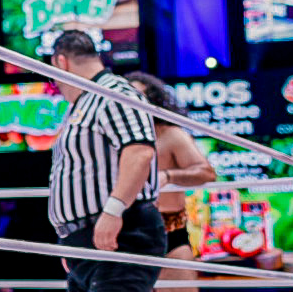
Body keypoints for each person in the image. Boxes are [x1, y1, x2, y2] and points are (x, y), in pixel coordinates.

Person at [48, 31, 165, 292]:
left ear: (60, 62)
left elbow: (139, 151)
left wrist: (113, 211)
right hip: (89, 240)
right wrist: (70, 241)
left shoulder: (114, 93)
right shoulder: (86, 102)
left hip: (122, 233)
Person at [126, 72, 216, 290]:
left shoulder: (171, 135)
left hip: (169, 232)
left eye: (138, 97)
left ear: (153, 101)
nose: (131, 103)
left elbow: (206, 172)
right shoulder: (114, 138)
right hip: (126, 233)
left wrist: (168, 176)